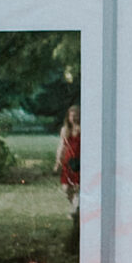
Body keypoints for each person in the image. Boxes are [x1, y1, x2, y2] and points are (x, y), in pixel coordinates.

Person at [55, 104, 81, 242]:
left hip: (79, 162)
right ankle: (74, 206)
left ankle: (75, 210)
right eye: (71, 115)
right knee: (66, 188)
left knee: (77, 187)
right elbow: (61, 145)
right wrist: (58, 161)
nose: (74, 118)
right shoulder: (65, 130)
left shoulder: (83, 129)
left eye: (76, 115)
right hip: (68, 162)